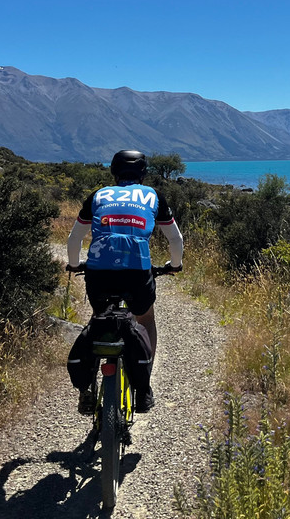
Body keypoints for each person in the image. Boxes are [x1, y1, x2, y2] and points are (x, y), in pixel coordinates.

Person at [66, 149, 184, 413]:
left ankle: (87, 390)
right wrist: (174, 265)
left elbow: (75, 239)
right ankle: (144, 386)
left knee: (100, 319)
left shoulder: (98, 195)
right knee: (145, 320)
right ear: (142, 172)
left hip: (99, 273)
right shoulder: (152, 195)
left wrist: (74, 264)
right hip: (137, 272)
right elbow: (175, 239)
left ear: (113, 171)